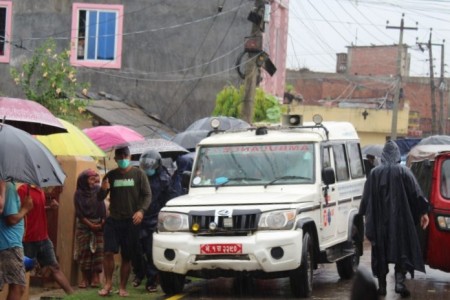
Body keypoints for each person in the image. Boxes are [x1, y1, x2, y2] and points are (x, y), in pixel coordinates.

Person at [359, 140, 430, 298]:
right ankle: (399, 282)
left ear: (383, 155)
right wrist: (423, 212)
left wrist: (362, 214)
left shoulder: (374, 173)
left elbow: (366, 197)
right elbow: (416, 193)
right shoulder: (404, 172)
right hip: (400, 221)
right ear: (398, 155)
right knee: (402, 251)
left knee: (380, 252)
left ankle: (382, 286)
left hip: (379, 222)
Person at [97, 146, 152, 297]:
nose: (122, 159)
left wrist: (141, 211)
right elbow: (99, 198)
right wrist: (103, 188)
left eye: (125, 155)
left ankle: (122, 287)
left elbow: (147, 195)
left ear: (130, 156)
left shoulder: (139, 174)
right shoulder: (110, 176)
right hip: (113, 220)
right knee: (108, 252)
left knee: (126, 256)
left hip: (131, 221)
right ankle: (107, 284)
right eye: (119, 156)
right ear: (115, 159)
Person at [132, 150, 179, 292]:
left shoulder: (164, 180)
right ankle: (139, 274)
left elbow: (169, 199)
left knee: (151, 251)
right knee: (136, 250)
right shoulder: (138, 178)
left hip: (154, 219)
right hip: (138, 218)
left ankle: (152, 281)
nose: (147, 169)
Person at [17, 184, 74, 295]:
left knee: (55, 267)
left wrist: (50, 208)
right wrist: (24, 208)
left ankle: (74, 296)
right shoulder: (23, 190)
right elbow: (18, 212)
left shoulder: (40, 190)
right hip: (27, 239)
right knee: (21, 272)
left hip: (43, 237)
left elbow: (37, 210)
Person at [0, 181, 33, 300]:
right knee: (18, 287)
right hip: (9, 244)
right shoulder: (8, 186)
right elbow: (11, 219)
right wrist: (25, 208)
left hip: (8, 243)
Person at [74, 169, 106, 288]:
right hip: (84, 225)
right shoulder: (78, 194)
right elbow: (79, 213)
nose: (94, 181)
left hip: (98, 225)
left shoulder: (98, 190)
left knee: (98, 251)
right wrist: (90, 225)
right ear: (84, 181)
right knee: (84, 252)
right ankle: (84, 278)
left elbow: (102, 205)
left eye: (95, 179)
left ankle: (95, 277)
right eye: (91, 179)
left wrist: (101, 222)